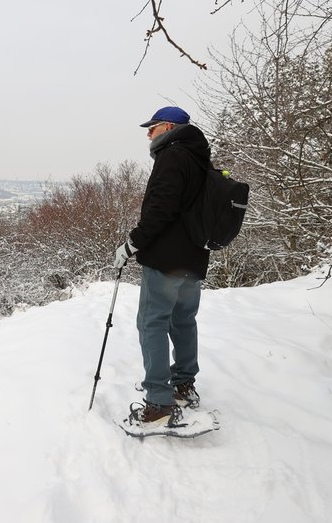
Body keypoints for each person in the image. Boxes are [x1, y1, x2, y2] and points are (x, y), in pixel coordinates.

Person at [114, 105, 211, 426]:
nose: (148, 132)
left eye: (152, 127)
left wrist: (131, 244)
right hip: (193, 258)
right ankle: (183, 384)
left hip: (166, 258)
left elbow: (160, 209)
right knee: (183, 321)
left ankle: (159, 400)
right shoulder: (199, 159)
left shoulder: (172, 156)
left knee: (152, 322)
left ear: (167, 127)